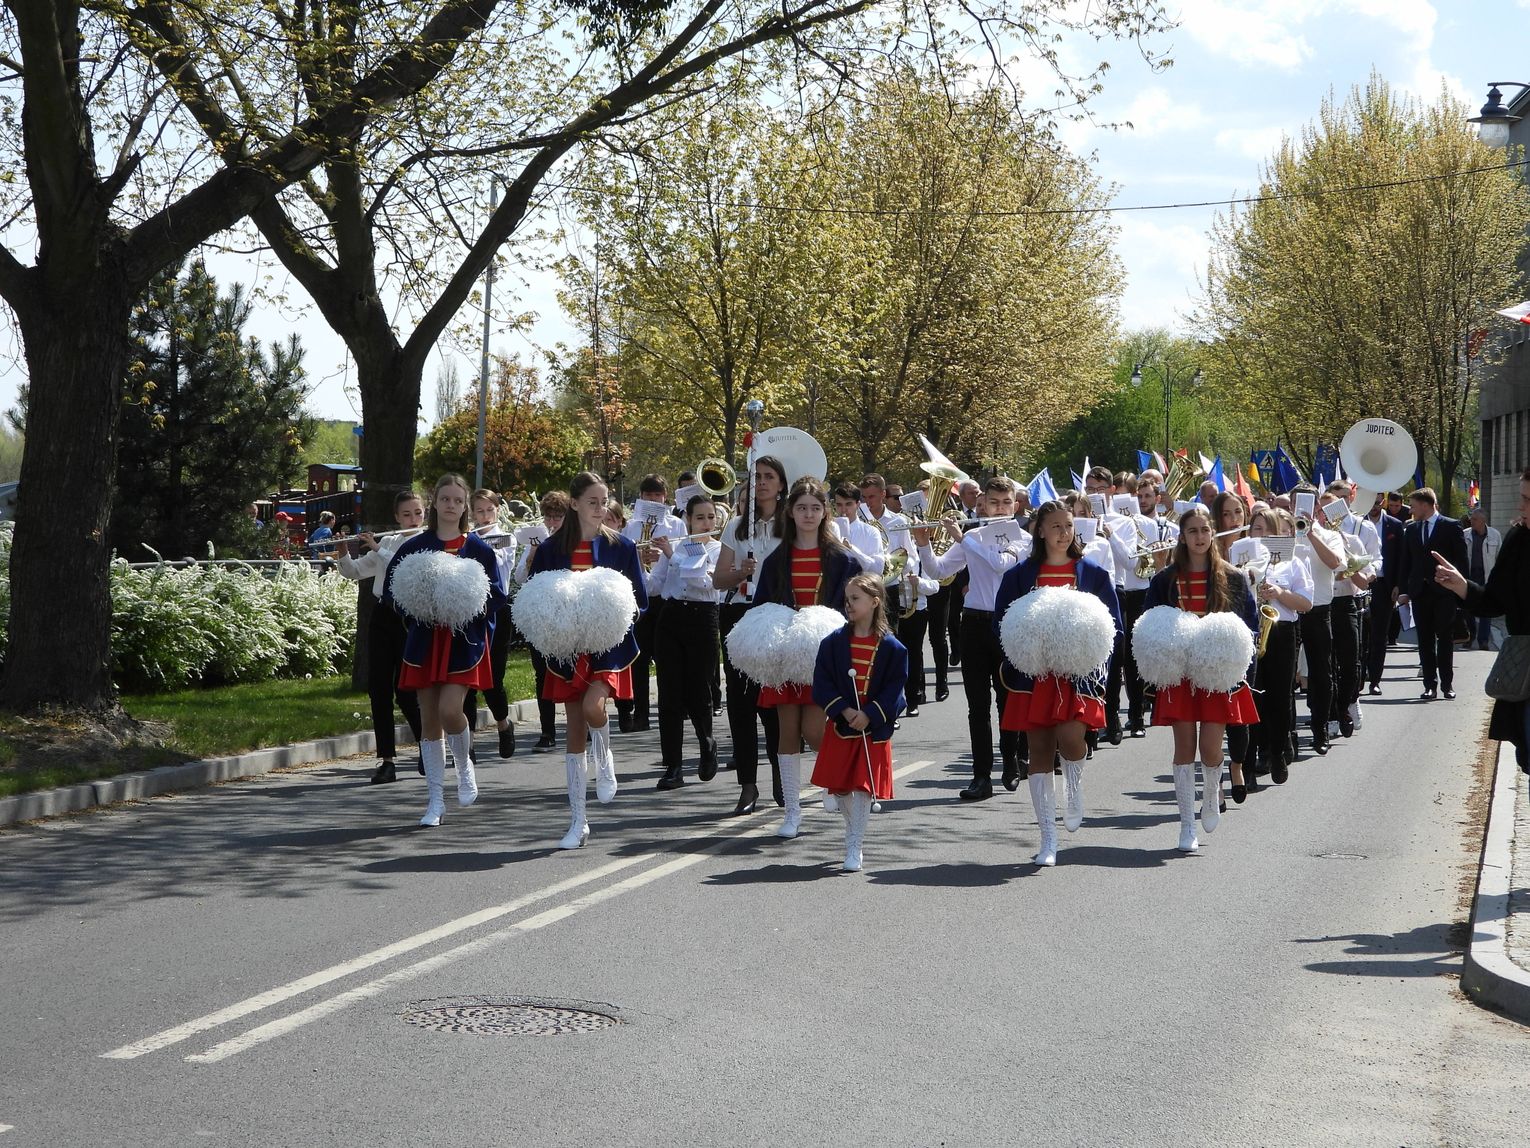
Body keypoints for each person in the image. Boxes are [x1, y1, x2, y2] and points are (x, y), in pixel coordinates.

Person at [993, 500, 1121, 866]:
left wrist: (1096, 663)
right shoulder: (1019, 576)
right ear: (1040, 531)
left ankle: (1074, 789)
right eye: (1056, 526)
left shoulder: (1093, 573)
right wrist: (1024, 655)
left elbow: (1113, 626)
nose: (1064, 533)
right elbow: (1001, 624)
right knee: (1039, 750)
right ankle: (1048, 838)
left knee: (1071, 738)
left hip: (1078, 674)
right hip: (1034, 676)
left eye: (1068, 526)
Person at [529, 472, 649, 849]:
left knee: (593, 708)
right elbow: (537, 599)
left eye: (604, 501)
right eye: (592, 502)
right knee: (574, 729)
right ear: (575, 503)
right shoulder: (551, 549)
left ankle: (605, 752)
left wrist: (613, 618)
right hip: (568, 650)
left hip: (608, 646)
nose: (600, 508)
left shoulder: (622, 546)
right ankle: (578, 821)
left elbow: (640, 601)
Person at [383, 474, 506, 827]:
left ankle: (464, 764)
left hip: (462, 640)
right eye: (445, 499)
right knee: (429, 720)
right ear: (434, 503)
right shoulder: (415, 546)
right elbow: (393, 592)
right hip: (425, 640)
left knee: (451, 710)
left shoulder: (479, 549)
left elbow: (496, 596)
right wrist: (420, 607)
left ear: (465, 506)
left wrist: (464, 607)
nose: (451, 505)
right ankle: (435, 800)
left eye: (457, 500)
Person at [1143, 504, 1259, 853]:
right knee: (1183, 747)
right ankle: (1186, 825)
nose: (1199, 537)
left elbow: (1248, 626)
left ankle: (1211, 794)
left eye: (1204, 530)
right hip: (1179, 672)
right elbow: (1149, 625)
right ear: (1182, 536)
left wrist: (1240, 668)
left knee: (1210, 747)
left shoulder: (1233, 577)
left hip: (1215, 673)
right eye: (1192, 531)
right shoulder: (1164, 579)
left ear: (1213, 534)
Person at [751, 476, 856, 837]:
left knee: (814, 730)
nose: (808, 514)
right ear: (790, 513)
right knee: (787, 732)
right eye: (801, 508)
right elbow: (762, 606)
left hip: (823, 653)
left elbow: (856, 606)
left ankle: (836, 780)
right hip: (785, 653)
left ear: (825, 512)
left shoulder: (842, 559)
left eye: (815, 508)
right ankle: (792, 813)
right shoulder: (776, 558)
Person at [915, 475, 1027, 799]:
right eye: (994, 503)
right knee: (977, 705)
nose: (1000, 509)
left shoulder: (1022, 538)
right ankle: (981, 776)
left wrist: (962, 538)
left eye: (1006, 503)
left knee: (1007, 700)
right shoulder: (973, 536)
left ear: (1015, 505)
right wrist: (923, 543)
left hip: (1008, 625)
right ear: (983, 505)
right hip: (974, 625)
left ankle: (1011, 759)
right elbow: (938, 571)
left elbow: (1000, 564)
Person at [1432, 468, 1530, 775]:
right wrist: (1461, 586)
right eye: (1522, 498)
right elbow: (1494, 601)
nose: (1520, 506)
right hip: (1526, 674)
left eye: (1528, 500)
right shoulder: (1518, 540)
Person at [811, 573, 909, 872]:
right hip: (842, 724)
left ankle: (855, 843)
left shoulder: (893, 648)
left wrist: (870, 714)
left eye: (855, 598)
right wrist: (843, 709)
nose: (849, 604)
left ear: (875, 602)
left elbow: (895, 689)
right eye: (847, 599)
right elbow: (822, 683)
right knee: (840, 788)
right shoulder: (833, 643)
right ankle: (852, 829)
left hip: (872, 727)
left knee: (864, 787)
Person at [713, 454, 788, 814]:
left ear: (781, 484)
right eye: (756, 476)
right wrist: (740, 572)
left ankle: (781, 775)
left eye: (769, 476)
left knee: (773, 704)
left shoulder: (791, 525)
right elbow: (718, 578)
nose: (762, 482)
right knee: (741, 704)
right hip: (739, 616)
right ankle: (747, 785)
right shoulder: (737, 525)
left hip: (776, 617)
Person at [338, 490, 425, 784]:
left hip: (409, 619)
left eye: (418, 513)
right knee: (379, 690)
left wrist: (377, 548)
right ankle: (387, 760)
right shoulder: (388, 542)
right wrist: (342, 550)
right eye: (406, 514)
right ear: (396, 517)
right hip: (382, 615)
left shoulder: (426, 542)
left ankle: (427, 747)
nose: (413, 519)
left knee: (406, 691)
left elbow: (405, 566)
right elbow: (354, 571)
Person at [647, 493, 722, 789]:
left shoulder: (718, 549)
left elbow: (705, 582)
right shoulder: (677, 546)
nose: (706, 523)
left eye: (710, 517)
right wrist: (637, 565)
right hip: (671, 617)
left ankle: (707, 744)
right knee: (669, 694)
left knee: (699, 691)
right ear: (688, 520)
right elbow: (655, 585)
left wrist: (672, 555)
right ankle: (673, 766)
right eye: (699, 517)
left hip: (703, 619)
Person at [1247, 508, 1311, 789]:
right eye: (1256, 529)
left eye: (1267, 530)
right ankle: (1253, 756)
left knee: (1280, 696)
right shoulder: (1241, 560)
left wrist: (1279, 593)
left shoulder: (1293, 562)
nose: (1261, 535)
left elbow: (1306, 603)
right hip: (1249, 632)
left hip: (1281, 632)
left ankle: (1278, 751)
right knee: (1253, 696)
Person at [622, 474, 684, 732]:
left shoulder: (676, 525)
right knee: (639, 658)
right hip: (640, 598)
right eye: (648, 495)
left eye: (657, 495)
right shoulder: (631, 526)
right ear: (641, 497)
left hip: (666, 597)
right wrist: (638, 555)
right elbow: (624, 556)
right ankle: (641, 714)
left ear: (665, 497)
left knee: (667, 659)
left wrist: (665, 555)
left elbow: (683, 556)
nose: (653, 500)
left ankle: (671, 710)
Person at [1395, 488, 1469, 700]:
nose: (1411, 510)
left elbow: (1462, 560)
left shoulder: (1451, 526)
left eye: (1413, 505)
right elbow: (1406, 562)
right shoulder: (1412, 529)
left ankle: (1447, 684)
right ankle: (1429, 685)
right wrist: (1403, 590)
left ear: (1425, 504)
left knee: (1445, 638)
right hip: (1420, 592)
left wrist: (1461, 588)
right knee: (1424, 639)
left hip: (1444, 592)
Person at [463, 488, 517, 758]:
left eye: (489, 510)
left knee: (493, 679)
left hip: (497, 609)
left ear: (497, 510)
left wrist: (472, 542)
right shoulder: (468, 539)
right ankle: (468, 745)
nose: (485, 516)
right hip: (471, 611)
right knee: (468, 679)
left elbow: (494, 560)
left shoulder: (506, 538)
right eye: (479, 511)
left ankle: (503, 724)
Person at [512, 491, 569, 751]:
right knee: (542, 673)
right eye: (548, 517)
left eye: (558, 517)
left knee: (571, 670)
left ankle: (581, 725)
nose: (552, 522)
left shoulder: (571, 542)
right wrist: (532, 554)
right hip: (541, 616)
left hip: (565, 614)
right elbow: (520, 578)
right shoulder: (537, 542)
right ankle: (547, 732)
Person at [1365, 492, 1405, 694]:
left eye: (1377, 502)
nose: (1374, 506)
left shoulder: (1394, 525)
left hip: (1385, 586)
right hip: (1361, 584)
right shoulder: (1357, 523)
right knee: (1363, 635)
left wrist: (1398, 585)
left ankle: (1375, 680)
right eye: (1370, 502)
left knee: (1380, 635)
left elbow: (1401, 557)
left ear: (1383, 502)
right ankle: (1359, 677)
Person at [1464, 507, 1502, 651]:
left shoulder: (1495, 535)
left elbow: (1499, 557)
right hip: (1469, 576)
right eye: (1471, 519)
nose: (1471, 521)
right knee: (1468, 607)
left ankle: (1483, 640)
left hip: (1487, 577)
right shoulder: (1465, 535)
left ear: (1483, 521)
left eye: (1474, 519)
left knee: (1486, 608)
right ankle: (1470, 634)